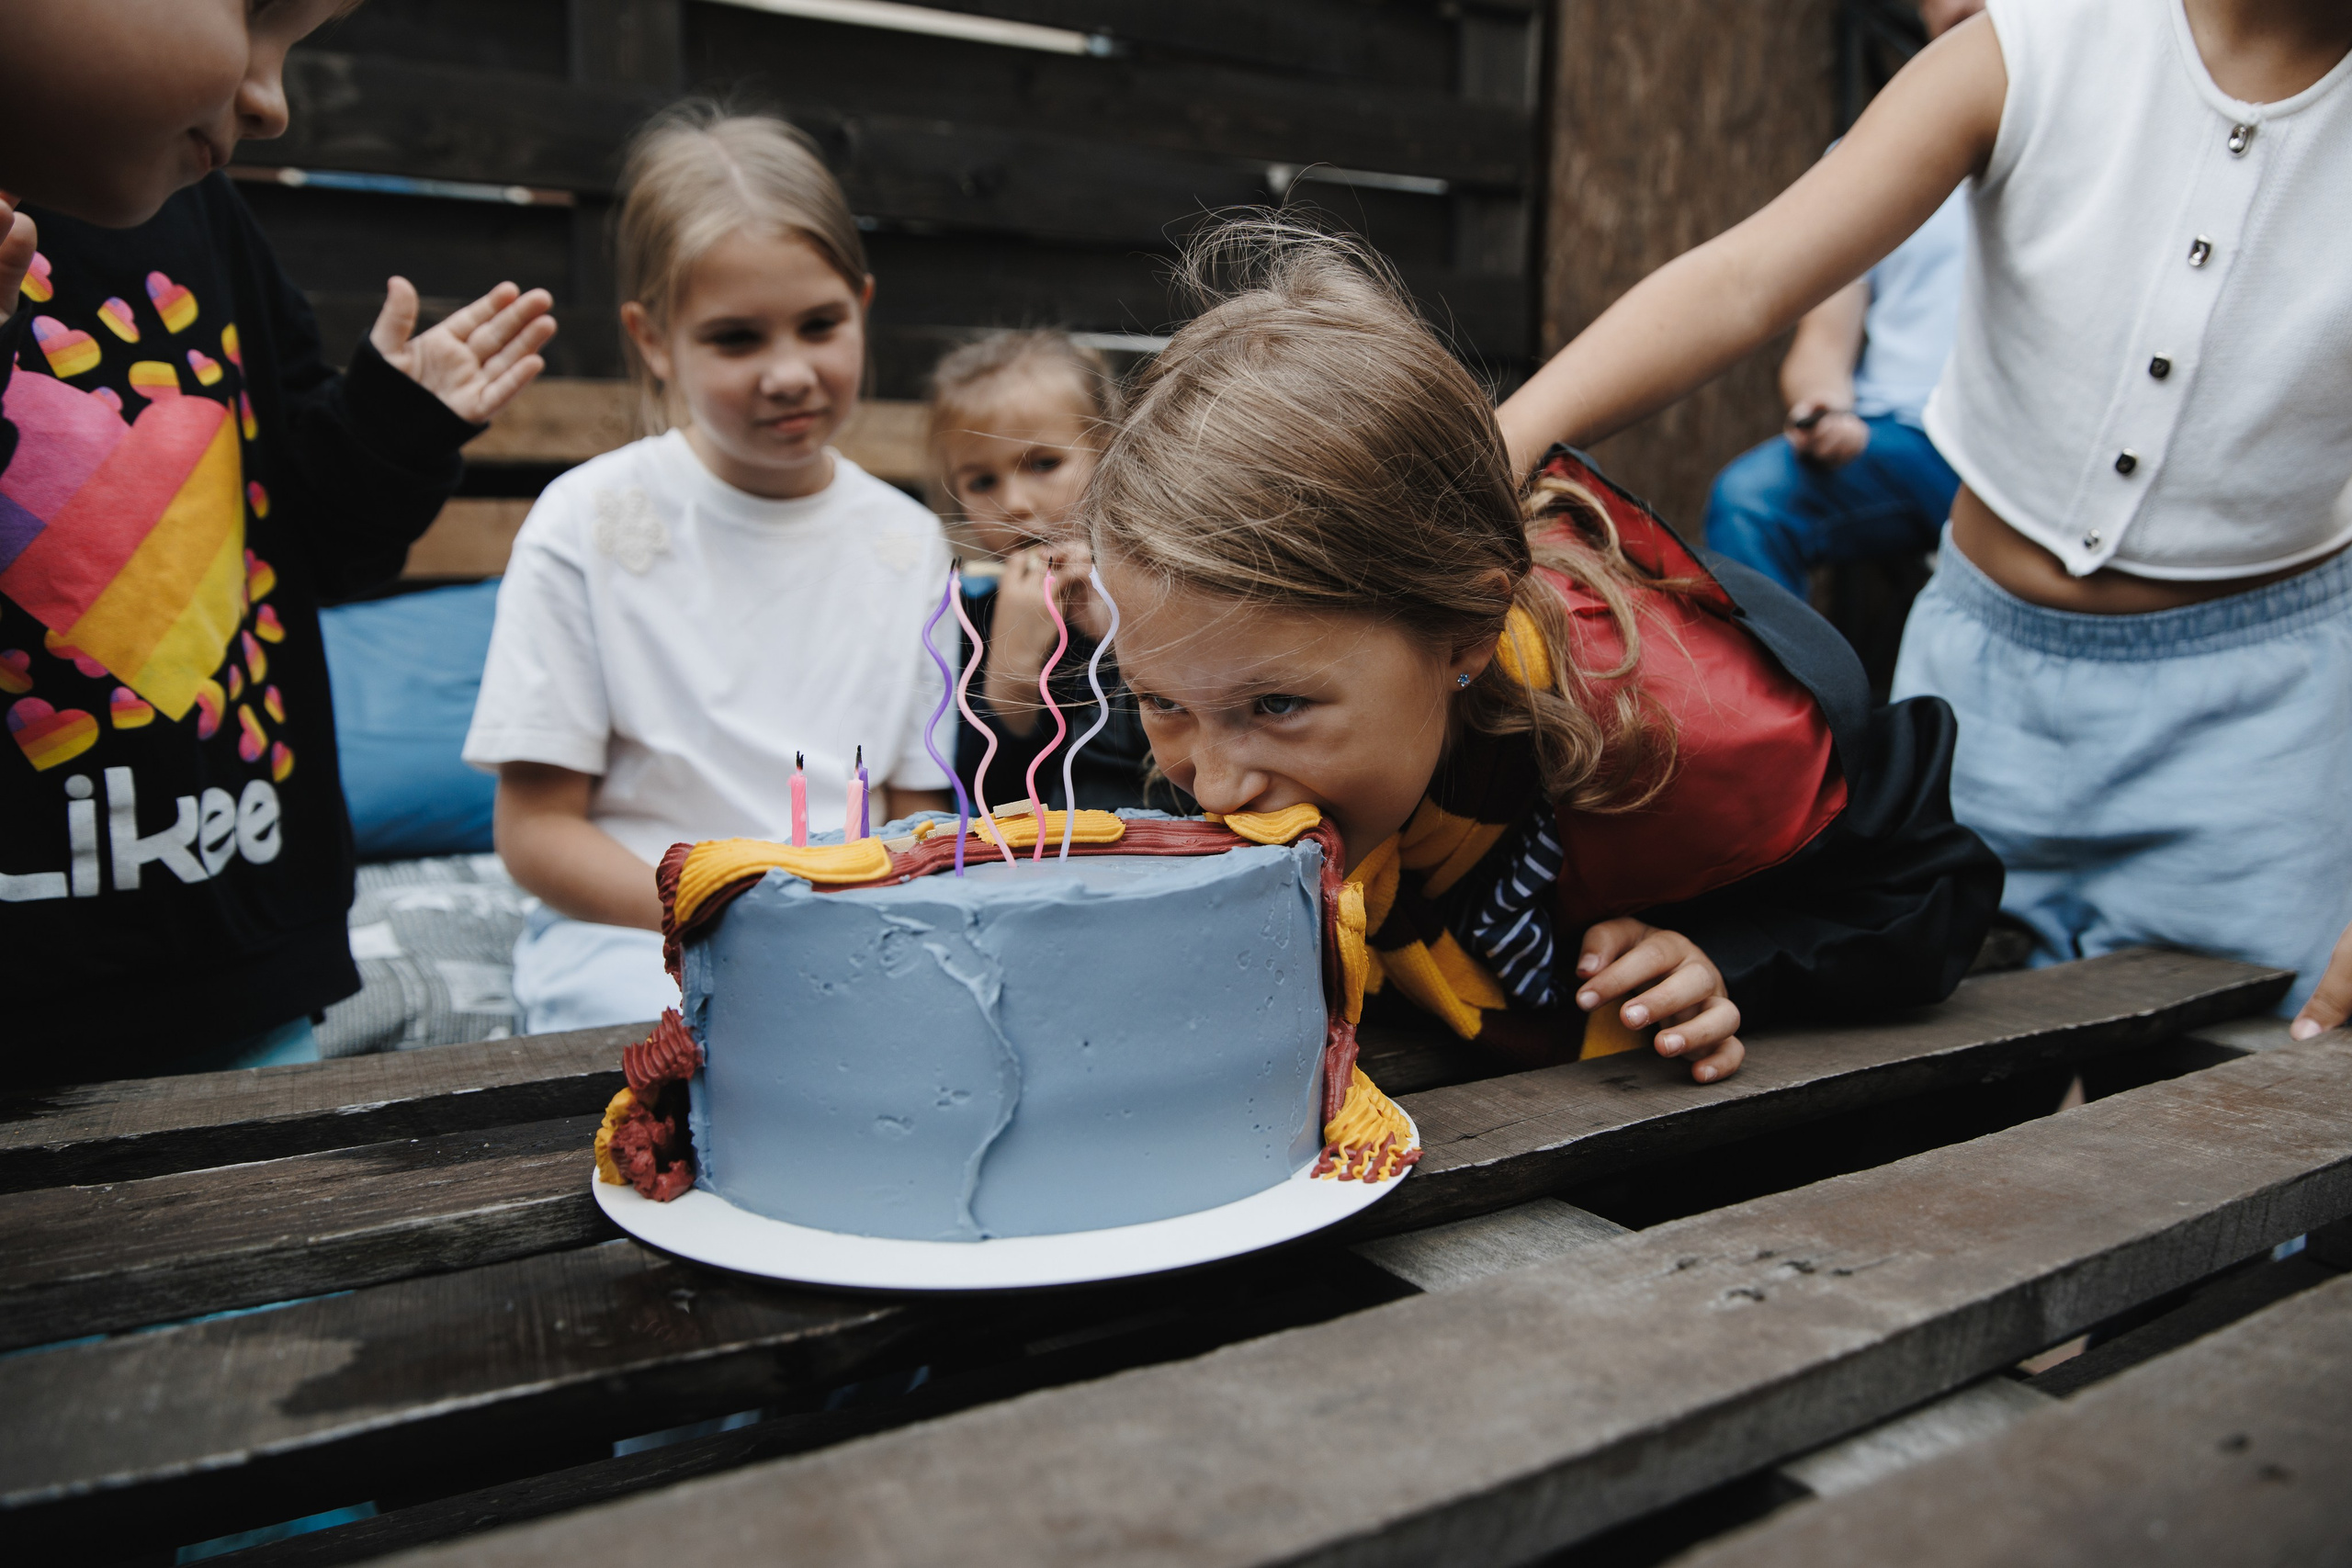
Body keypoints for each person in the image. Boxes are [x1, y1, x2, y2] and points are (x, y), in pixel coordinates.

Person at [1496, 0, 2352, 1036]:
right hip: (1981, 695)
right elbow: (1745, 278)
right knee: (1917, 1082)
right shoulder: (2038, 40)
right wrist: (1494, 448)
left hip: (2266, 739)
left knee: (2243, 1122)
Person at [1089, 221, 2001, 1083]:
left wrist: (1733, 956)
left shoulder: (1708, 736)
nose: (1211, 785)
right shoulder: (1230, 697)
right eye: (1160, 702)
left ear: (1467, 636)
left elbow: (1930, 894)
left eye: (1277, 707)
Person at [0, 0, 558, 1078]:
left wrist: (394, 426)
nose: (270, 102)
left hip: (243, 956)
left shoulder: (202, 218)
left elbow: (313, 540)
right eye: (255, 17)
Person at [465, 105, 952, 1035]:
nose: (788, 373)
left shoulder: (908, 541)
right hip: (636, 936)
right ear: (654, 341)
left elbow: (914, 812)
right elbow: (534, 834)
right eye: (736, 338)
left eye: (820, 325)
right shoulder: (585, 523)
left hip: (850, 931)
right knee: (704, 1046)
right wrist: (730, 907)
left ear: (864, 307)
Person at [1701, 0, 1984, 601]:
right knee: (1749, 500)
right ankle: (1790, 696)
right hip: (1905, 441)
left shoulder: (2087, 142)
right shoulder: (1868, 156)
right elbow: (1820, 345)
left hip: (2022, 455)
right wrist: (1827, 408)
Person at [927, 331, 1154, 812]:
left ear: (1108, 452)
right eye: (982, 480)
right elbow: (979, 806)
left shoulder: (1161, 582)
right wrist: (1009, 674)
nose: (1014, 504)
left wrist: (1121, 639)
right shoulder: (970, 613)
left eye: (1044, 463)